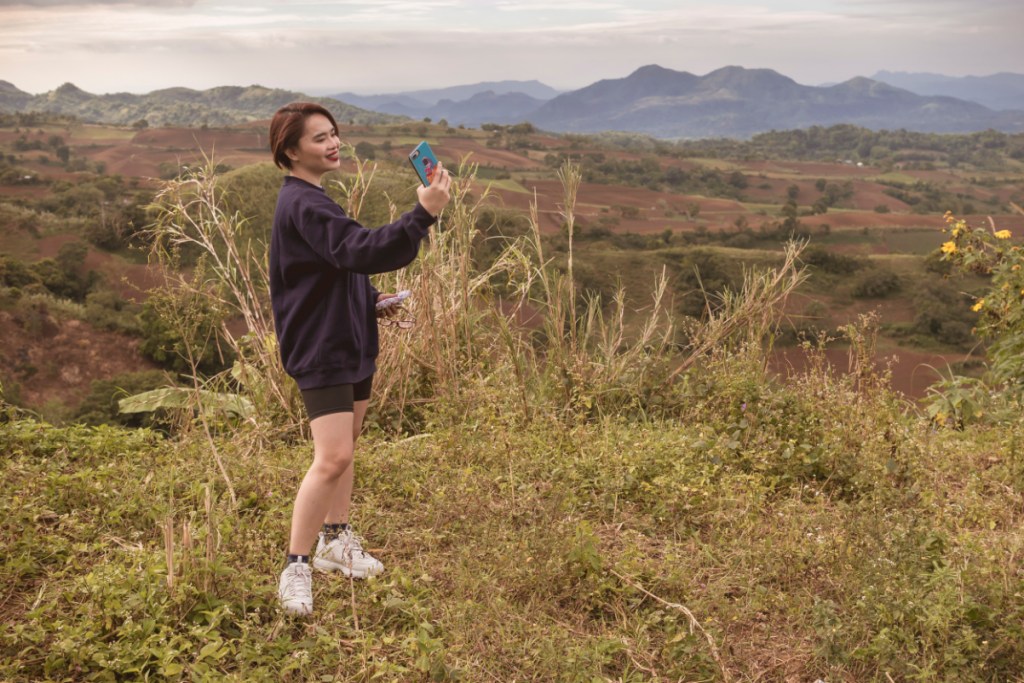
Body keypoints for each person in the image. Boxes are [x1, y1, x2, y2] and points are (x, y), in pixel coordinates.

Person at [267, 102, 452, 616]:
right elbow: (362, 250)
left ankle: (336, 539)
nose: (333, 144)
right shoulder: (304, 203)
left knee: (345, 447)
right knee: (332, 457)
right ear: (291, 151)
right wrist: (424, 213)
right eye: (319, 138)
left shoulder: (315, 198)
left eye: (335, 134)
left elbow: (333, 269)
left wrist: (373, 303)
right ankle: (295, 566)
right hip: (321, 348)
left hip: (351, 338)